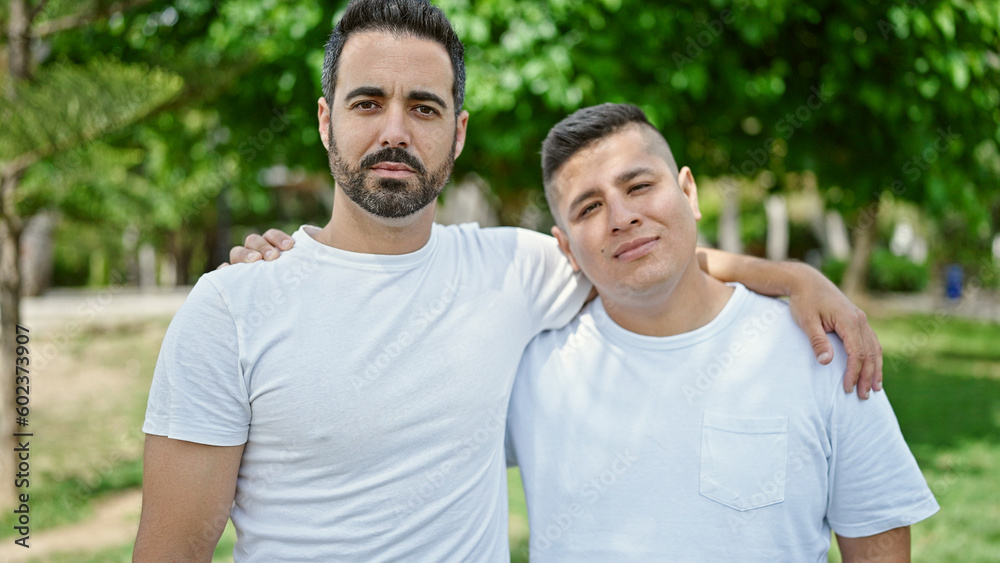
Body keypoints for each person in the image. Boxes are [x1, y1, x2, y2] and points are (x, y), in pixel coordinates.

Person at [135, 1, 882, 560]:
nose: (395, 130)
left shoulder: (512, 269)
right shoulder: (232, 308)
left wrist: (789, 276)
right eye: (368, 103)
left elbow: (640, 254)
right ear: (327, 120)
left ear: (456, 132)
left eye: (423, 107)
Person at [504, 103, 938, 561]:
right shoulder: (527, 368)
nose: (621, 216)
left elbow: (879, 543)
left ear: (688, 192)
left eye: (640, 185)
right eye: (589, 207)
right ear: (567, 247)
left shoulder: (822, 352)